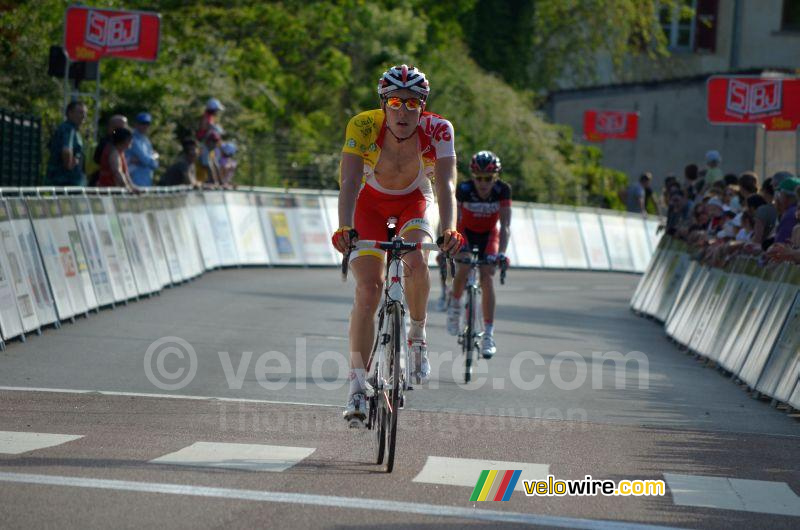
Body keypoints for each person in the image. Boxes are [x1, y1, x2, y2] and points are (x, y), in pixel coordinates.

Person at [331, 64, 463, 424]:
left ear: (423, 106)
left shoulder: (439, 129)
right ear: (382, 104)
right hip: (369, 204)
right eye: (394, 102)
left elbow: (446, 184)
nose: (403, 111)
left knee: (416, 261)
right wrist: (345, 226)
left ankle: (417, 334)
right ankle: (356, 387)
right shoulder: (362, 125)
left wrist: (450, 228)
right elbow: (350, 181)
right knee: (369, 290)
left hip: (414, 201)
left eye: (412, 103)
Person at [446, 151, 511, 359]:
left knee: (487, 275)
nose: (483, 183)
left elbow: (505, 226)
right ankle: (455, 306)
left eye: (488, 178)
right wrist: (451, 244)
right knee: (464, 266)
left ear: (496, 177)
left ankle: (488, 335)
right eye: (479, 178)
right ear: (473, 176)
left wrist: (501, 253)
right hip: (465, 233)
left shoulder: (502, 190)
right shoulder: (464, 189)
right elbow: (453, 219)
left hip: (489, 236)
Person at [46, 100, 87, 186]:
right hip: (66, 180)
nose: (83, 116)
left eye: (84, 113)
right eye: (80, 112)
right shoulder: (68, 129)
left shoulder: (69, 129)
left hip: (63, 179)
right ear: (70, 113)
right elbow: (67, 150)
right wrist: (69, 166)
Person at [90, 114, 128, 186]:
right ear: (112, 128)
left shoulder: (116, 145)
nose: (125, 132)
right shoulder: (109, 146)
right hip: (103, 185)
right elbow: (116, 171)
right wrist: (127, 187)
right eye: (122, 129)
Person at [97, 127, 138, 192]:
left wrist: (132, 186)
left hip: (112, 189)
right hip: (108, 190)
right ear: (125, 140)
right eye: (130, 139)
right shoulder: (114, 153)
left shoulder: (120, 152)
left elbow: (125, 173)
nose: (132, 141)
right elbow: (117, 172)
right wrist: (128, 188)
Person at [126, 112, 159, 187]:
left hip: (147, 180)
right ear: (136, 124)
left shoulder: (146, 140)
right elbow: (145, 160)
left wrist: (148, 159)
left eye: (147, 124)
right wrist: (154, 156)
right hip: (135, 180)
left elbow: (155, 164)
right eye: (142, 123)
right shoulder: (132, 139)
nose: (145, 126)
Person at [774, 177, 799, 244]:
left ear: (786, 196)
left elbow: (780, 244)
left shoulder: (791, 214)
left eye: (780, 194)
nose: (778, 198)